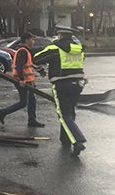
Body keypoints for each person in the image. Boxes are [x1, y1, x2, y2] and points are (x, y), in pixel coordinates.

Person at [34, 25, 87, 156]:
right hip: (78, 84)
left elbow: (36, 58)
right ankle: (66, 139)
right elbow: (82, 60)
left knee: (64, 115)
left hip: (61, 85)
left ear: (60, 35)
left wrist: (41, 69)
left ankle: (78, 140)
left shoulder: (54, 48)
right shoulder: (79, 48)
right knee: (70, 111)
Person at [0, 32, 45, 127]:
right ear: (26, 40)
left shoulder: (26, 51)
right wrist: (22, 79)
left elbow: (29, 65)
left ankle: (32, 120)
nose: (33, 41)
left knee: (32, 101)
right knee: (24, 102)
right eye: (31, 39)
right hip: (22, 81)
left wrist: (39, 70)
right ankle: (3, 112)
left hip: (29, 80)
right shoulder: (22, 51)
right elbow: (19, 66)